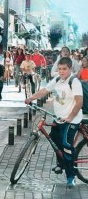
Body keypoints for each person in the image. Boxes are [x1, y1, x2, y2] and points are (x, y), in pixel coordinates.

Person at [25, 57, 83, 188]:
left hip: (72, 120)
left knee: (66, 145)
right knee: (55, 141)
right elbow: (44, 91)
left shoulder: (74, 82)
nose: (62, 72)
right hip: (59, 118)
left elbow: (79, 102)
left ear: (70, 69)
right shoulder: (57, 80)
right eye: (60, 69)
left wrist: (70, 117)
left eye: (64, 69)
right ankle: (61, 163)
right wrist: (30, 98)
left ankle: (71, 176)